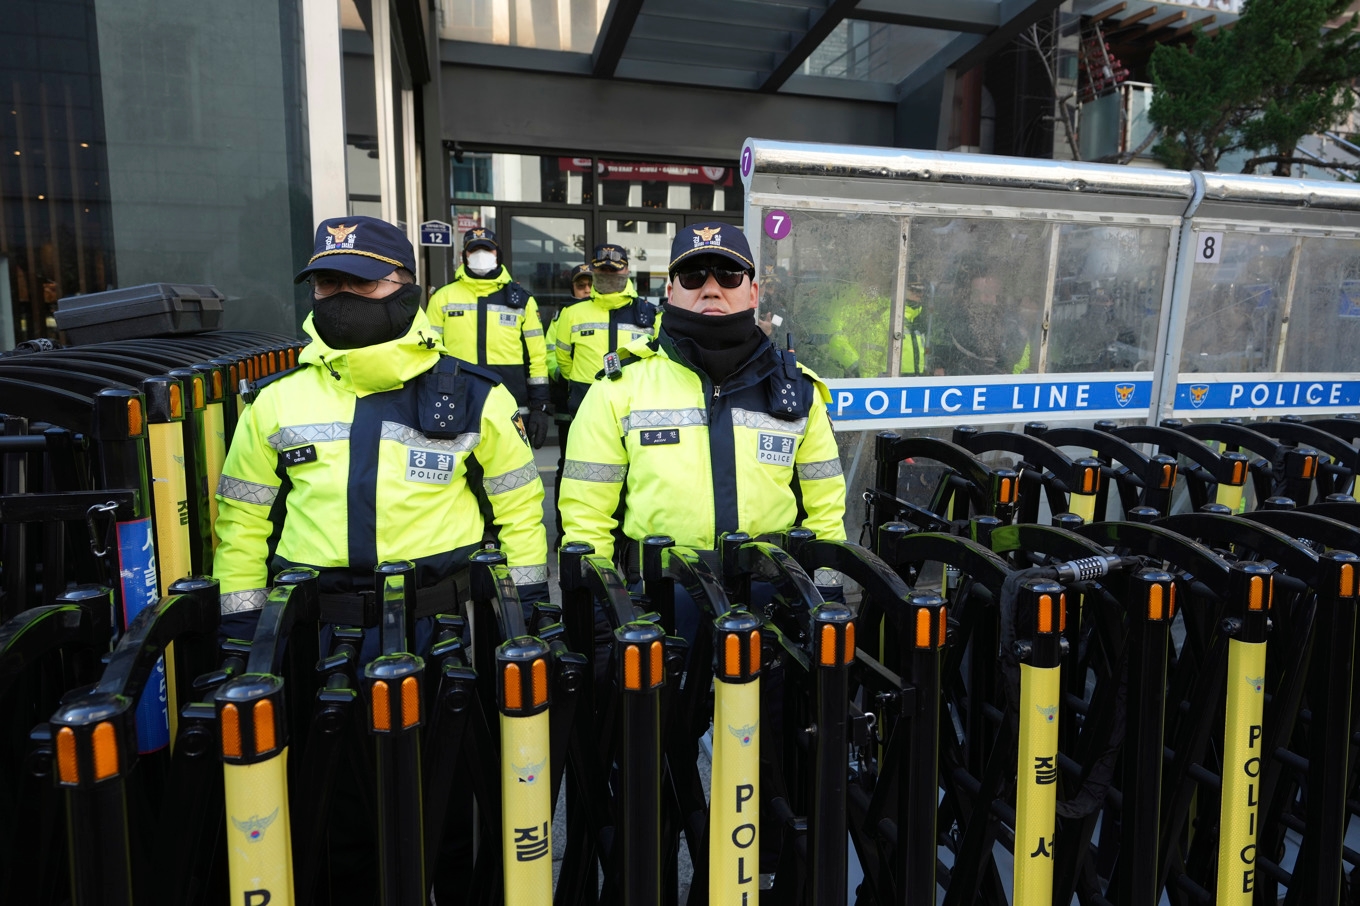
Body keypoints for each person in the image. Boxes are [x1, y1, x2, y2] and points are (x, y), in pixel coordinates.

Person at [214, 215, 549, 638]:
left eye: (364, 282)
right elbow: (242, 523)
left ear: (407, 288)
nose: (342, 296)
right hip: (308, 634)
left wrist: (528, 612)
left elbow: (518, 514)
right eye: (328, 283)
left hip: (438, 629)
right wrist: (242, 624)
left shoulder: (479, 396)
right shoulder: (274, 400)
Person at [558, 222, 847, 613]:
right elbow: (586, 515)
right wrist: (599, 609)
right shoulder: (619, 386)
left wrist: (827, 593)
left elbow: (826, 509)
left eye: (728, 274)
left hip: (772, 600)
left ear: (753, 292)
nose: (711, 287)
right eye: (694, 275)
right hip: (658, 604)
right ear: (671, 291)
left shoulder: (798, 390)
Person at [426, 228, 552, 447]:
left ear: (497, 254)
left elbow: (537, 357)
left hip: (510, 398)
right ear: (464, 256)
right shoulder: (442, 297)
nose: (481, 254)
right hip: (456, 396)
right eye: (474, 250)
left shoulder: (522, 300)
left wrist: (539, 405)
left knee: (510, 467)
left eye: (487, 249)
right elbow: (428, 351)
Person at [552, 243, 660, 419]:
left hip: (635, 402)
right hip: (585, 400)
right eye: (603, 270)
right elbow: (563, 359)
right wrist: (581, 382)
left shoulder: (651, 313)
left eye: (613, 270)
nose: (608, 275)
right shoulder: (571, 313)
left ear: (626, 270)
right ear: (593, 271)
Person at [544, 263, 594, 539]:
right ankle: (564, 532)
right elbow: (550, 353)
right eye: (580, 285)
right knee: (568, 466)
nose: (586, 290)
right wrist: (568, 376)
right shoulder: (561, 316)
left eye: (590, 284)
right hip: (568, 403)